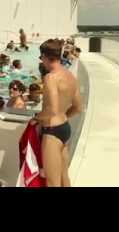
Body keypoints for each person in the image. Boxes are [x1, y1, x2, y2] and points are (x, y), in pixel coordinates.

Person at [32, 39, 82, 187]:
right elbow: (78, 107)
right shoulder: (70, 76)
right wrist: (64, 116)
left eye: (41, 58)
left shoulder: (50, 77)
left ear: (45, 56)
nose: (42, 61)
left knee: (52, 182)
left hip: (52, 132)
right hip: (65, 128)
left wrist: (36, 118)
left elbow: (52, 109)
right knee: (63, 176)